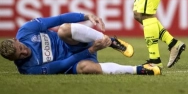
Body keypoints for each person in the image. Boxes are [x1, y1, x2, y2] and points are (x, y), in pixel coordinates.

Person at [0, 12, 161, 75]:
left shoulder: (26, 31)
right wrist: (91, 50)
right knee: (87, 68)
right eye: (19, 55)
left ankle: (110, 41)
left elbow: (59, 19)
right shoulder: (28, 69)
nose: (24, 52)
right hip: (73, 62)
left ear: (16, 40)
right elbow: (62, 65)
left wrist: (86, 16)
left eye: (20, 47)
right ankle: (140, 70)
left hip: (72, 42)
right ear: (12, 60)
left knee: (63, 30)